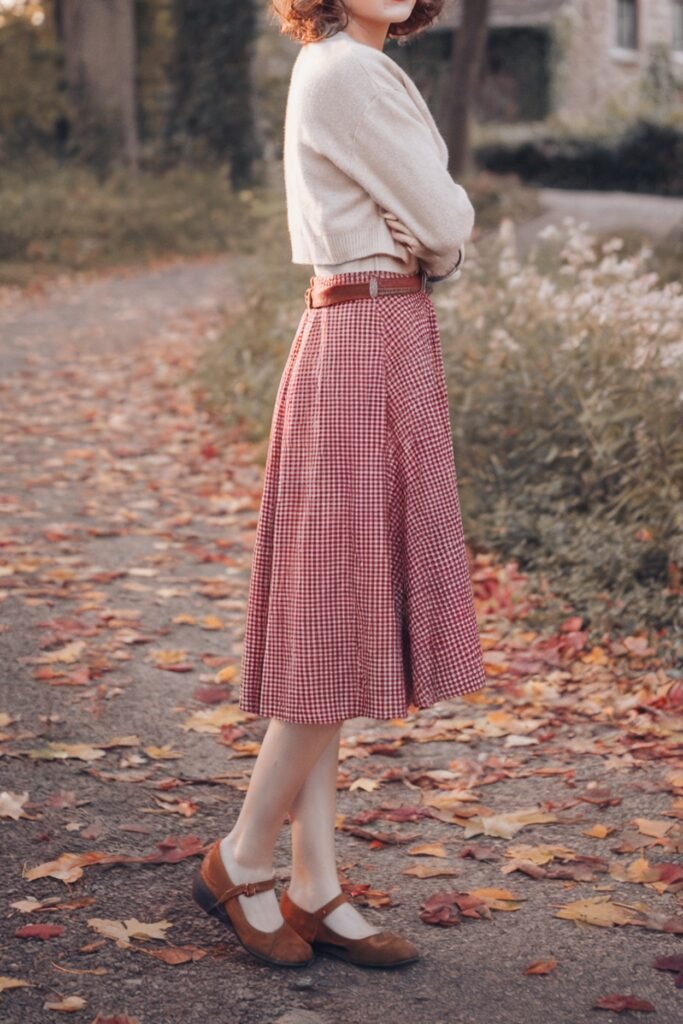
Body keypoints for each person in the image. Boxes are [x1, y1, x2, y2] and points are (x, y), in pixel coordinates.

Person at [192, 0, 487, 970]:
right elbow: (443, 220)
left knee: (342, 621)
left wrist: (423, 232)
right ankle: (240, 857)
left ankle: (313, 881)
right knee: (336, 617)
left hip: (372, 331)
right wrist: (432, 233)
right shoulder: (347, 71)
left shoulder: (345, 64)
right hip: (367, 330)